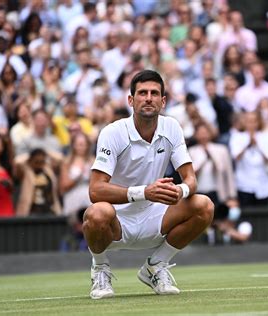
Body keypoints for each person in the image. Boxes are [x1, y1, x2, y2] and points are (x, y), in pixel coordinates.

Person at [83, 70, 214, 299]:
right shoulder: (112, 133)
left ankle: (156, 265)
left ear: (163, 101)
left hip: (155, 217)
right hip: (116, 223)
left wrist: (179, 191)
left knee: (204, 205)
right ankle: (100, 268)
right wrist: (144, 192)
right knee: (96, 213)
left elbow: (191, 179)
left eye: (154, 93)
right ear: (131, 100)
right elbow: (95, 190)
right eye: (142, 93)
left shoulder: (172, 127)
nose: (148, 98)